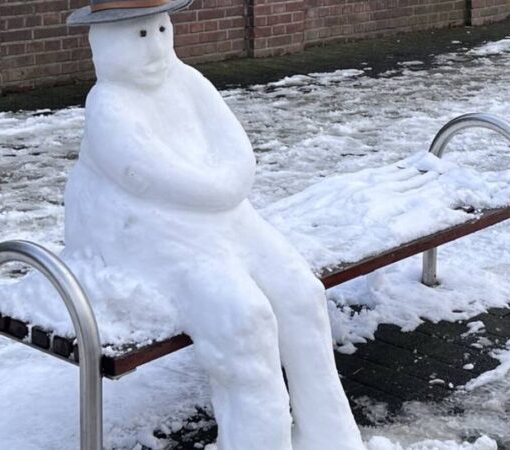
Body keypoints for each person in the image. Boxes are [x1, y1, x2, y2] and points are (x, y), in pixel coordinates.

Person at [65, 2, 367, 449]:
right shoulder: (108, 104)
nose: (157, 50)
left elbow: (235, 144)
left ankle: (331, 436)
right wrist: (220, 189)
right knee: (246, 319)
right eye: (141, 37)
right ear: (102, 43)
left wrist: (229, 182)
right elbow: (146, 172)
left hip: (221, 219)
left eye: (162, 30)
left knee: (302, 294)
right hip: (145, 237)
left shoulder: (185, 80)